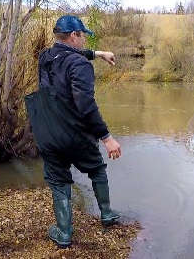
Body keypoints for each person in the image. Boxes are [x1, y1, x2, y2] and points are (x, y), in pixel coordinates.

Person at [25, 15, 122, 249]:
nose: (84, 42)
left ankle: (64, 233)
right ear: (74, 35)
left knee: (59, 181)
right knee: (97, 169)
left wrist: (98, 54)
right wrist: (107, 138)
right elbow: (86, 106)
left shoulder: (45, 57)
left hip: (48, 133)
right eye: (82, 36)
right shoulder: (80, 66)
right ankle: (106, 214)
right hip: (76, 135)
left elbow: (67, 55)